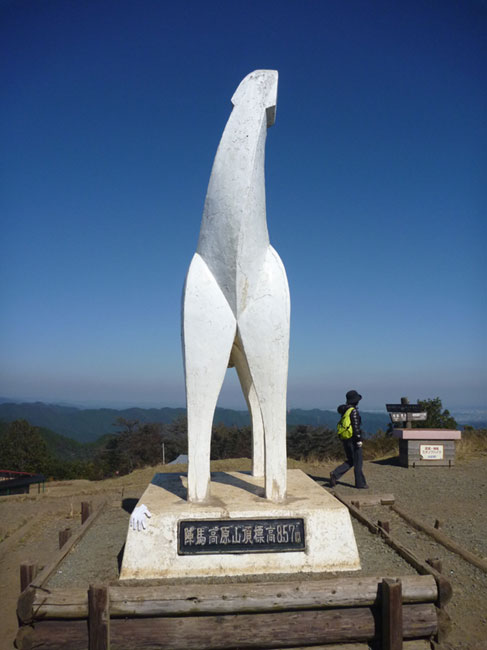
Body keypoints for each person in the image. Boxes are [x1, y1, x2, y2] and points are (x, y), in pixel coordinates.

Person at [330, 390, 368, 489]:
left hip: (345, 438)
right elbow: (355, 427)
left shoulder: (345, 410)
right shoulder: (353, 411)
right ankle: (360, 483)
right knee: (358, 462)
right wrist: (358, 440)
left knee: (351, 460)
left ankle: (335, 474)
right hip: (353, 439)